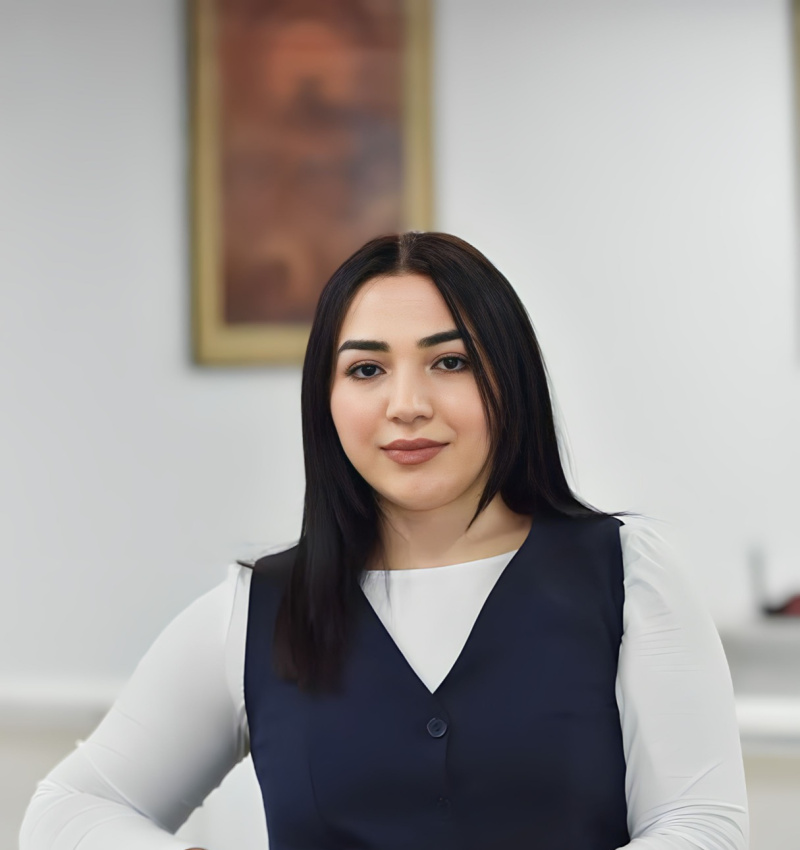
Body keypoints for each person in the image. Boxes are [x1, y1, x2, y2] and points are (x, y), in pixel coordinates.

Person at [19, 232, 748, 850]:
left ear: (512, 378)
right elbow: (68, 812)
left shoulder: (627, 574)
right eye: (366, 370)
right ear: (326, 400)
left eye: (450, 362)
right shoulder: (255, 611)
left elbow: (701, 825)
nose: (407, 405)